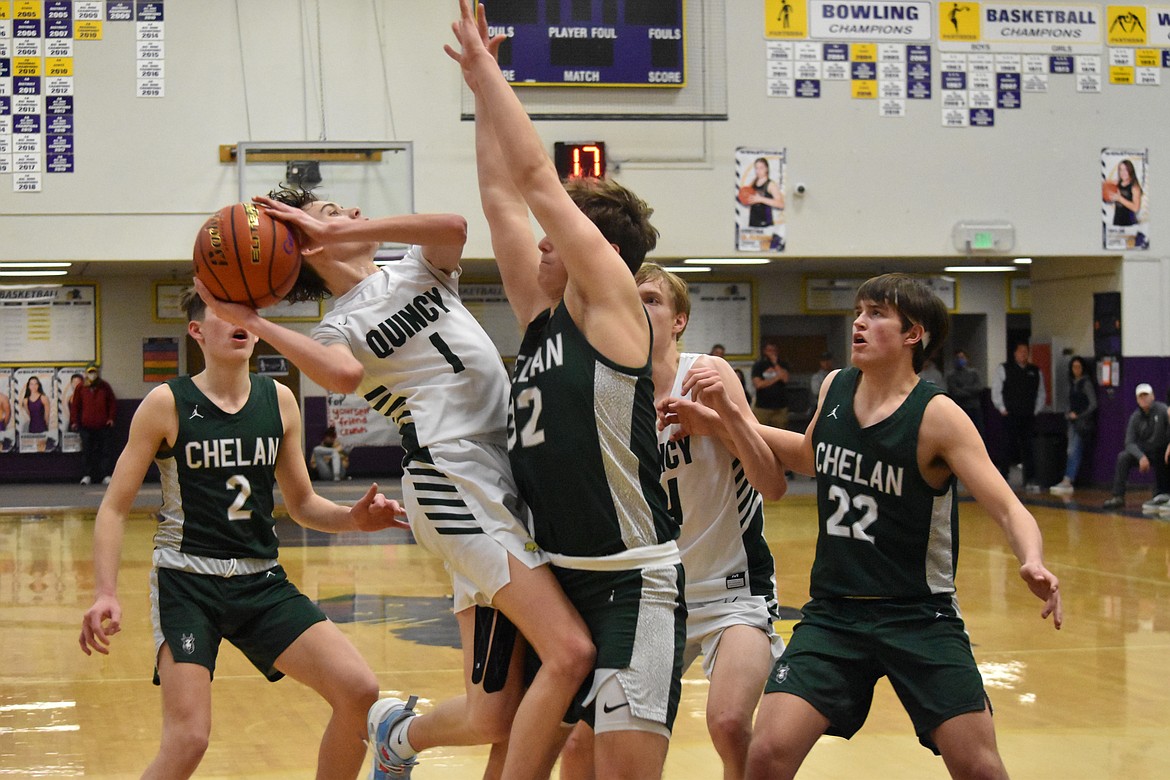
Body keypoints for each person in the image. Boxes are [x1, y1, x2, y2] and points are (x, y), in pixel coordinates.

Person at [206, 186, 593, 779]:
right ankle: (400, 735)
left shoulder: (414, 265)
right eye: (335, 212)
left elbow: (454, 225)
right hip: (452, 477)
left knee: (497, 717)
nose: (355, 213)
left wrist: (332, 229)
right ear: (306, 247)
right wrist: (253, 320)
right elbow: (341, 374)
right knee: (568, 653)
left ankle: (397, 733)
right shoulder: (337, 326)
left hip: (512, 468)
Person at [660, 273, 1062, 780]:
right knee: (765, 754)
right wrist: (719, 425)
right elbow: (809, 456)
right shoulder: (836, 387)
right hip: (835, 615)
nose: (859, 323)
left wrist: (1032, 558)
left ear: (913, 333)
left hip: (917, 614)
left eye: (876, 314)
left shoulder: (938, 416)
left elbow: (1007, 506)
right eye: (858, 312)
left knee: (978, 766)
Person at [443, 4, 686, 776]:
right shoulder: (543, 320)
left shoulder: (615, 313)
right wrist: (481, 95)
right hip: (557, 579)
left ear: (600, 250)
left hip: (630, 584)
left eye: (562, 233)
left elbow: (537, 182)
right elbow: (499, 195)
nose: (541, 239)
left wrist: (491, 72)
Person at [78, 287, 409, 780]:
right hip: (187, 583)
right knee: (189, 738)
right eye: (222, 313)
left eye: (246, 313)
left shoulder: (279, 401)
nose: (239, 321)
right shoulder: (166, 403)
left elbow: (301, 505)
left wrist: (353, 519)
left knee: (358, 690)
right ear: (197, 331)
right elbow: (113, 508)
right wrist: (105, 592)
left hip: (261, 582)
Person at [559, 264, 787, 780]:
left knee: (729, 722)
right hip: (652, 593)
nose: (638, 308)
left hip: (732, 589)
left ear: (679, 320)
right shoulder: (608, 392)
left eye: (652, 299)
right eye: (629, 298)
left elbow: (772, 485)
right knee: (579, 748)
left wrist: (725, 416)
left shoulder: (706, 374)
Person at [1102, 383, 1170, 511]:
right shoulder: (1135, 417)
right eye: (1140, 396)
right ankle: (1118, 496)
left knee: (1163, 452)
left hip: (1162, 450)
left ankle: (1162, 493)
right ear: (1137, 400)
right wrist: (1141, 457)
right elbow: (1129, 443)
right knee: (1123, 457)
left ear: (1153, 396)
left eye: (1146, 395)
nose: (1143, 398)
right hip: (1146, 452)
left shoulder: (1162, 410)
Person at [991, 342, 1046, 492]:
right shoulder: (1004, 368)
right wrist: (1002, 408)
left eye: (1025, 352)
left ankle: (1030, 479)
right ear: (1015, 353)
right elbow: (996, 390)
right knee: (1007, 446)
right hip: (1010, 414)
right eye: (1020, 351)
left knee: (1028, 448)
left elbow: (1041, 393)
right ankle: (1003, 477)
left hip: (1028, 415)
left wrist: (1036, 410)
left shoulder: (1035, 371)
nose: (1023, 354)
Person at [1050, 356, 1097, 495]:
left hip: (1081, 423)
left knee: (1074, 450)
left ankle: (1068, 479)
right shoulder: (1072, 383)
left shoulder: (1086, 383)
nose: (1076, 370)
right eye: (1074, 367)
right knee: (1070, 450)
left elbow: (1093, 404)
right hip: (1071, 422)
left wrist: (1079, 415)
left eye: (1078, 367)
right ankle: (1068, 478)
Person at [71, 363, 118, 484]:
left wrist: (111, 418)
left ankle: (106, 475)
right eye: (90, 372)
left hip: (103, 425)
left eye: (94, 372)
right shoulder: (80, 387)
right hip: (85, 426)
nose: (92, 375)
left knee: (105, 451)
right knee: (87, 452)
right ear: (86, 373)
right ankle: (87, 475)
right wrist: (74, 421)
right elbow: (75, 406)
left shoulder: (104, 386)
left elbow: (112, 403)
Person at [751, 342, 791, 429]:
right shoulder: (759, 365)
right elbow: (758, 384)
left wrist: (775, 363)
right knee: (761, 433)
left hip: (780, 407)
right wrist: (777, 377)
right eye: (769, 350)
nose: (772, 353)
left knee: (781, 434)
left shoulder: (782, 364)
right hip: (762, 407)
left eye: (774, 350)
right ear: (764, 351)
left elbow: (785, 379)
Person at [946, 349, 984, 437]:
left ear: (966, 359)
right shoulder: (951, 375)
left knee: (978, 434)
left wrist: (964, 388)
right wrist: (971, 391)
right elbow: (955, 392)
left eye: (962, 357)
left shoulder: (974, 373)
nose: (960, 359)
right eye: (958, 358)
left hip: (975, 408)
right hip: (960, 408)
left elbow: (979, 388)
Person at [744, 157, 784, 228]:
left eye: (761, 168)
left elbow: (781, 204)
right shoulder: (753, 183)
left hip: (766, 225)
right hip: (753, 224)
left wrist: (761, 199)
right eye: (756, 168)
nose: (758, 171)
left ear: (766, 169)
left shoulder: (771, 184)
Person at [1110, 159, 1143, 227]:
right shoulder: (1117, 184)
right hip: (1117, 223)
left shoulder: (1135, 187)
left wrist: (1120, 198)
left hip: (1130, 224)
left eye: (1125, 169)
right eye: (1121, 170)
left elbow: (1136, 208)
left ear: (1130, 170)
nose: (1123, 172)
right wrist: (1110, 185)